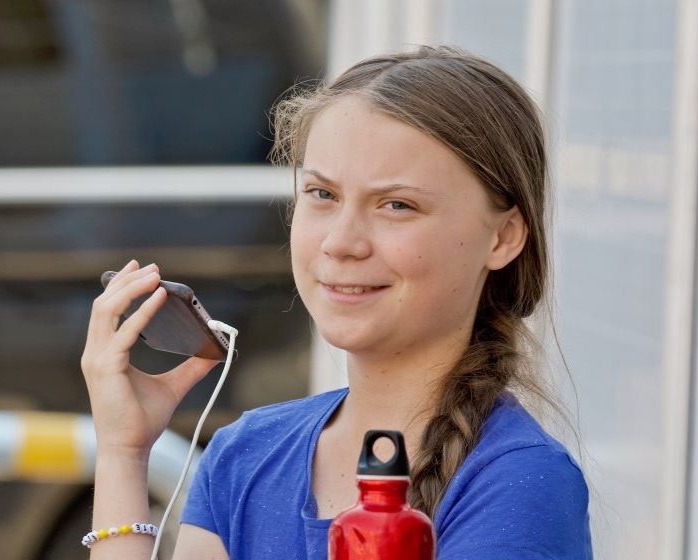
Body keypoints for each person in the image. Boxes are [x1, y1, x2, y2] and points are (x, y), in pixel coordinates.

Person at [80, 44, 593, 559]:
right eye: (322, 195)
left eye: (397, 205)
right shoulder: (246, 455)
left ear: (502, 238)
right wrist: (125, 452)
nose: (342, 242)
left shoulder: (519, 480)